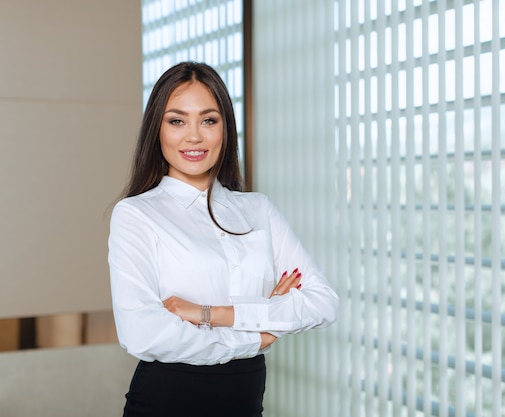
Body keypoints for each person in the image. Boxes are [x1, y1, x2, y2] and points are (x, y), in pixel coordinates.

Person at [108, 61, 339, 417]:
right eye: (177, 121)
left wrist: (211, 314)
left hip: (246, 403)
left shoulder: (258, 210)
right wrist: (258, 333)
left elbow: (322, 302)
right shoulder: (136, 214)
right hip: (165, 402)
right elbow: (143, 333)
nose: (194, 136)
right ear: (157, 129)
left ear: (225, 128)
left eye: (209, 120)